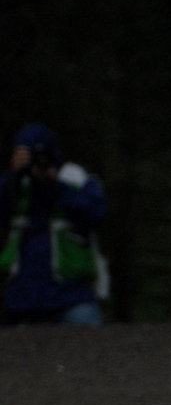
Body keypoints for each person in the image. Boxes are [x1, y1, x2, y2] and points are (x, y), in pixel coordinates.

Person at [0, 122, 107, 325]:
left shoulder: (75, 179)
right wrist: (11, 177)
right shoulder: (15, 186)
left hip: (73, 295)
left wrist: (56, 185)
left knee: (90, 350)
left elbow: (95, 214)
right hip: (24, 299)